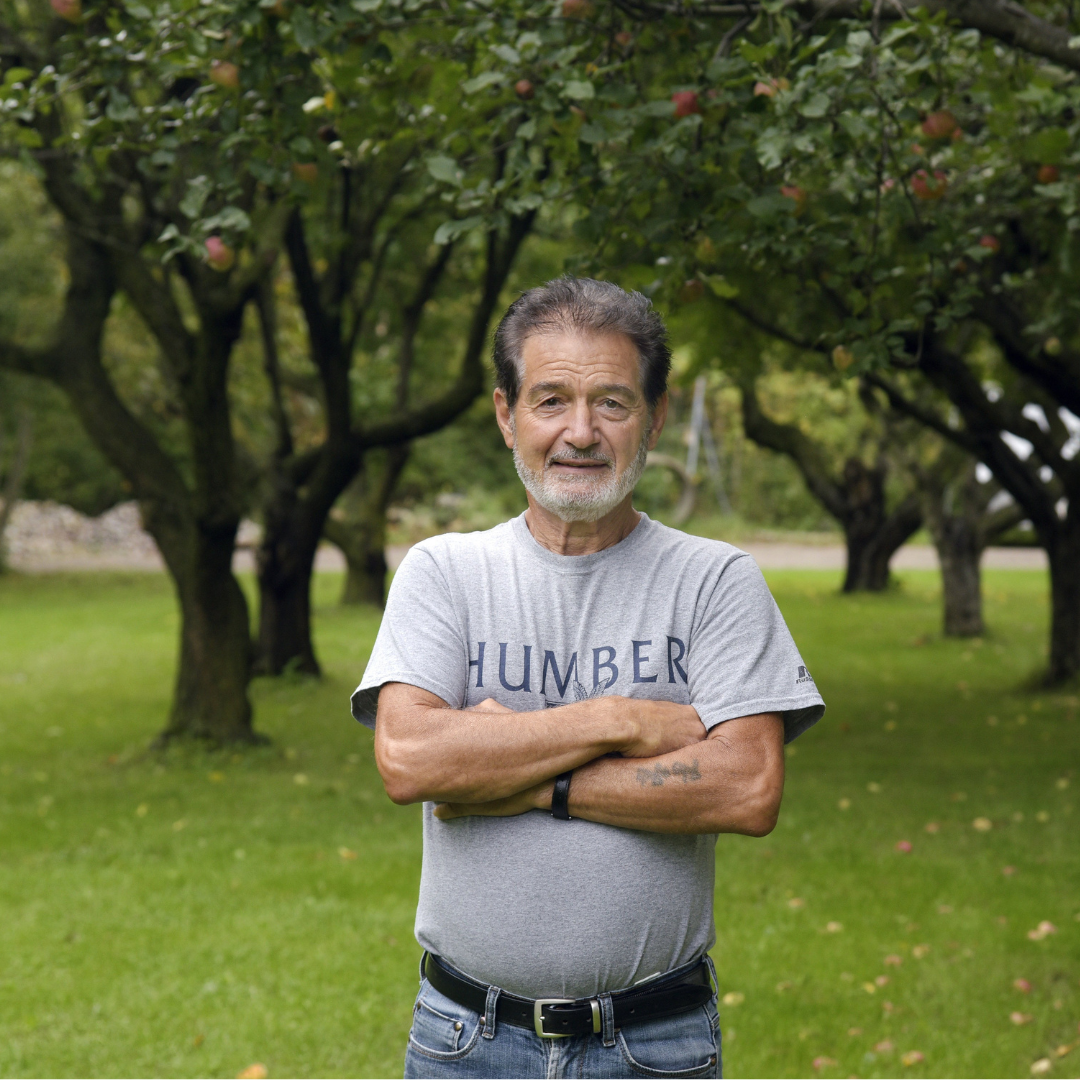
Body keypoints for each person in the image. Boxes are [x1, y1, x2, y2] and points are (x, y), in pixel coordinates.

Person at [351, 277, 825, 1080]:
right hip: (465, 1043)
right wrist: (619, 720)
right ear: (507, 414)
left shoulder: (716, 581)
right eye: (551, 401)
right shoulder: (443, 572)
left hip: (654, 1043)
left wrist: (518, 778)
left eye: (611, 402)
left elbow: (746, 787)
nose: (581, 432)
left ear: (655, 416)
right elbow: (409, 759)